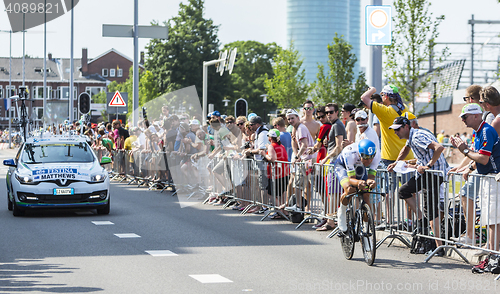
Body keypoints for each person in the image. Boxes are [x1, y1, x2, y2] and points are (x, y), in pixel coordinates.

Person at [387, 116, 448, 254]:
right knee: (404, 191)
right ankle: (422, 219)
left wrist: (428, 165)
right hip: (426, 174)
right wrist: (397, 162)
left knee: (431, 210)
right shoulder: (411, 137)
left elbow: (439, 147)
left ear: (406, 127)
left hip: (433, 174)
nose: (396, 133)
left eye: (397, 129)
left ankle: (439, 247)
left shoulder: (417, 137)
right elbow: (406, 150)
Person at [450, 103, 500, 251]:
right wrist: (469, 167)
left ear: (476, 116)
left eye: (465, 117)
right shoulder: (477, 131)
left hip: (494, 178)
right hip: (487, 178)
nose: (463, 120)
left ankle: (493, 254)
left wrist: (464, 150)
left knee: (493, 220)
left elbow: (483, 158)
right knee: (488, 218)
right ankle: (490, 252)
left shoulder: (486, 130)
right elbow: (478, 156)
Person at [336, 139, 380, 232]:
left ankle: (366, 228)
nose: (369, 160)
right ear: (359, 154)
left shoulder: (376, 155)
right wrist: (358, 183)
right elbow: (351, 178)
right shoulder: (350, 153)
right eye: (366, 157)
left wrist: (371, 182)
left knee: (366, 194)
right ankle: (342, 212)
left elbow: (371, 177)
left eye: (371, 157)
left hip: (359, 167)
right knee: (350, 189)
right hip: (342, 166)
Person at [259, 129, 290, 219]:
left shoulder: (271, 146)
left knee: (271, 193)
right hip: (284, 172)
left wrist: (264, 154)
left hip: (276, 173)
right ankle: (284, 212)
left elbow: (273, 159)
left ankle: (280, 211)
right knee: (282, 193)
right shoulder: (282, 146)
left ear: (270, 138)